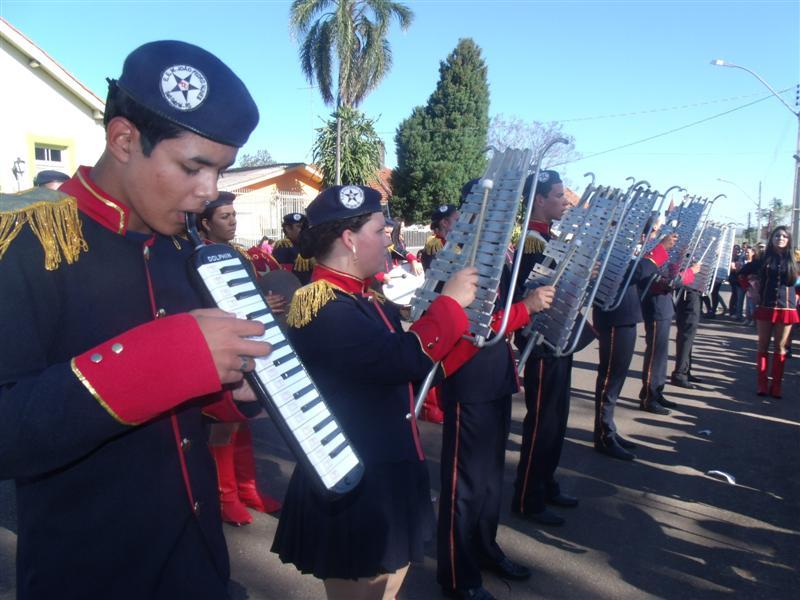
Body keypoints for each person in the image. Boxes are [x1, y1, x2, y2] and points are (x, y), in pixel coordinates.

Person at [0, 41, 268, 598]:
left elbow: (188, 413)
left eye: (220, 170)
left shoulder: (184, 249)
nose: (209, 192)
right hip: (88, 575)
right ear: (123, 140)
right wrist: (171, 357)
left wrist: (234, 389)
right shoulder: (25, 238)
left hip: (197, 562)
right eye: (193, 166)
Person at [271, 185, 478, 600]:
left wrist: (471, 338)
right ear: (349, 239)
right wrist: (449, 306)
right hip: (357, 479)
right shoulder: (323, 305)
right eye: (381, 230)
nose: (389, 239)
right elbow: (399, 360)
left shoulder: (363, 298)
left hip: (389, 466)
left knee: (389, 587)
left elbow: (409, 376)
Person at [436, 180, 556, 600]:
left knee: (489, 481)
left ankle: (484, 547)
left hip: (494, 376)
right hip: (468, 378)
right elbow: (474, 325)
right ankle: (457, 574)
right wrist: (526, 308)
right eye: (501, 206)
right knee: (464, 486)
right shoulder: (460, 257)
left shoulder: (496, 252)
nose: (508, 215)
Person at [197, 192, 284, 524]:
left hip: (248, 342)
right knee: (224, 425)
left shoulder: (239, 255)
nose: (233, 222)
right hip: (223, 345)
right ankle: (226, 497)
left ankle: (248, 490)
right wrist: (259, 307)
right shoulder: (197, 256)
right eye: (224, 216)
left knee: (242, 421)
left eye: (234, 215)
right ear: (205, 223)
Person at [510, 170, 580, 527]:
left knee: (557, 418)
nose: (564, 202)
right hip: (539, 338)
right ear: (539, 200)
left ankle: (546, 482)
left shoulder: (548, 238)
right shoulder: (532, 243)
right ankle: (528, 496)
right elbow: (528, 293)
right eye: (557, 195)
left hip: (558, 336)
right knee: (542, 423)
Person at [592, 219, 669, 461]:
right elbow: (630, 274)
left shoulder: (620, 246)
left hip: (623, 317)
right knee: (610, 380)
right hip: (614, 317)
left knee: (615, 380)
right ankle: (604, 434)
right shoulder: (609, 245)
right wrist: (659, 252)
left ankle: (608, 428)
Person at [638, 231, 700, 413]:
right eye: (656, 230)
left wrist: (680, 257)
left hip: (663, 306)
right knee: (656, 354)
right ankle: (649, 397)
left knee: (661, 354)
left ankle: (656, 392)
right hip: (655, 304)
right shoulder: (649, 253)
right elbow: (667, 282)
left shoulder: (657, 252)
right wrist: (690, 272)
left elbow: (670, 274)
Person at [750, 226, 799, 397]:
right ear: (772, 238)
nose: (780, 238)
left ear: (789, 239)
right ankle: (762, 384)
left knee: (780, 347)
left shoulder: (794, 259)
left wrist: (798, 296)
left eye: (784, 236)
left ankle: (776, 386)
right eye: (777, 235)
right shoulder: (763, 258)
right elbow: (744, 273)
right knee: (763, 344)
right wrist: (753, 289)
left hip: (786, 307)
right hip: (766, 305)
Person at [273, 211, 314, 284]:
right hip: (293, 287)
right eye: (299, 226)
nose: (303, 230)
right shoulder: (283, 245)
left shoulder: (307, 244)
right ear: (288, 229)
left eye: (304, 227)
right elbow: (281, 274)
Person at [420, 204, 459, 271]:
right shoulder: (433, 244)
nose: (461, 224)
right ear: (445, 223)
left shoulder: (453, 242)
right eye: (457, 220)